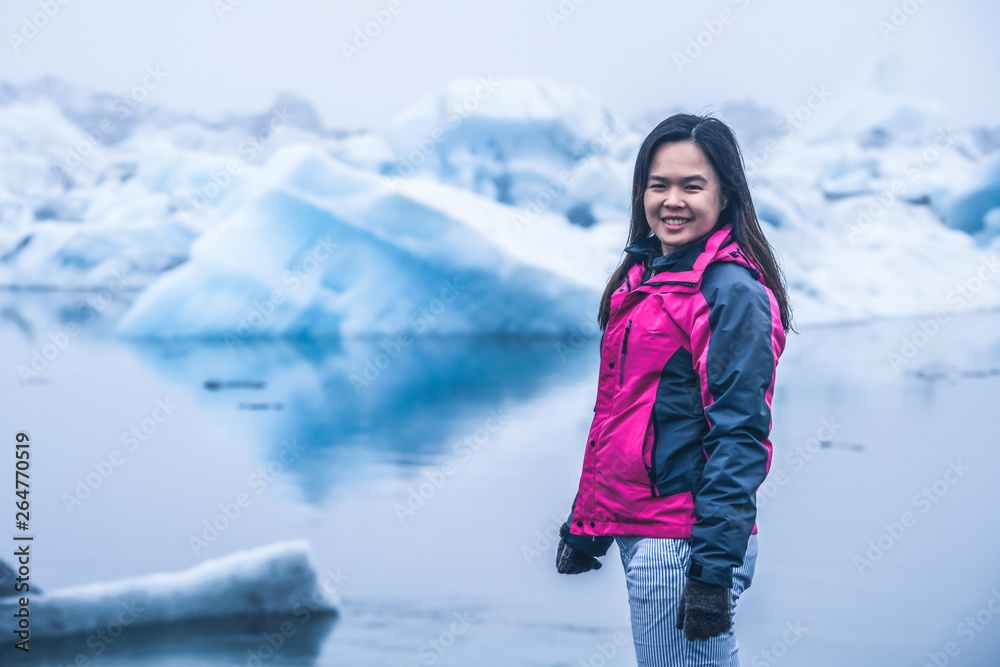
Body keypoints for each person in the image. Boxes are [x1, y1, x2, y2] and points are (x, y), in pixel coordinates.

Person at [555, 113, 794, 667]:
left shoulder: (730, 292)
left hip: (683, 545)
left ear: (726, 194)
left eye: (692, 185)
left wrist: (711, 574)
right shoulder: (646, 278)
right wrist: (588, 523)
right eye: (658, 185)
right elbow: (623, 415)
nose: (672, 200)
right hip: (647, 532)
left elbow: (740, 436)